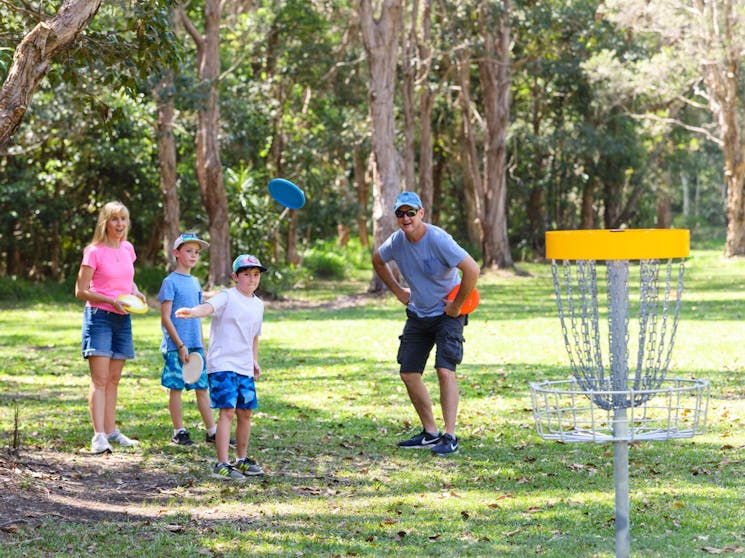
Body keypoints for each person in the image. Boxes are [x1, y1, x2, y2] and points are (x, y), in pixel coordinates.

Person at [372, 191, 480, 456]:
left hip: (448, 314)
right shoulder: (397, 242)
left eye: (411, 212)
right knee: (408, 373)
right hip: (418, 313)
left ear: (421, 213)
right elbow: (377, 259)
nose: (406, 218)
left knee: (445, 371)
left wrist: (455, 306)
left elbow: (472, 269)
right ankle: (430, 433)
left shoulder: (438, 239)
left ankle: (450, 436)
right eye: (400, 213)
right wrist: (398, 290)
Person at [175, 254, 267, 480]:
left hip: (244, 366)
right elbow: (207, 307)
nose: (252, 279)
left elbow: (254, 336)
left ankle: (242, 460)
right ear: (235, 277)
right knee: (227, 411)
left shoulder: (258, 305)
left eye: (256, 275)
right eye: (246, 275)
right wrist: (192, 312)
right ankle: (222, 464)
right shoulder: (227, 297)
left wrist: (254, 359)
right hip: (223, 364)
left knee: (245, 413)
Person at [75, 201, 144, 454]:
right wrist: (110, 300)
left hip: (122, 318)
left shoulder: (127, 248)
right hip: (99, 317)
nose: (120, 224)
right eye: (115, 219)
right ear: (105, 222)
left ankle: (112, 430)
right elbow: (81, 291)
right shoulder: (93, 251)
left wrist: (136, 294)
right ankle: (98, 436)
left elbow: (128, 280)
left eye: (124, 219)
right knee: (100, 379)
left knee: (114, 379)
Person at [158, 233, 218, 446]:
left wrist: (202, 347)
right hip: (176, 347)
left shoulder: (195, 283)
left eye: (197, 252)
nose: (193, 255)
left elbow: (198, 317)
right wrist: (180, 345)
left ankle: (212, 432)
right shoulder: (169, 282)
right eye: (188, 251)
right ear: (176, 253)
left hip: (195, 346)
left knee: (202, 388)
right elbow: (165, 317)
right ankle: (179, 431)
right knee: (176, 388)